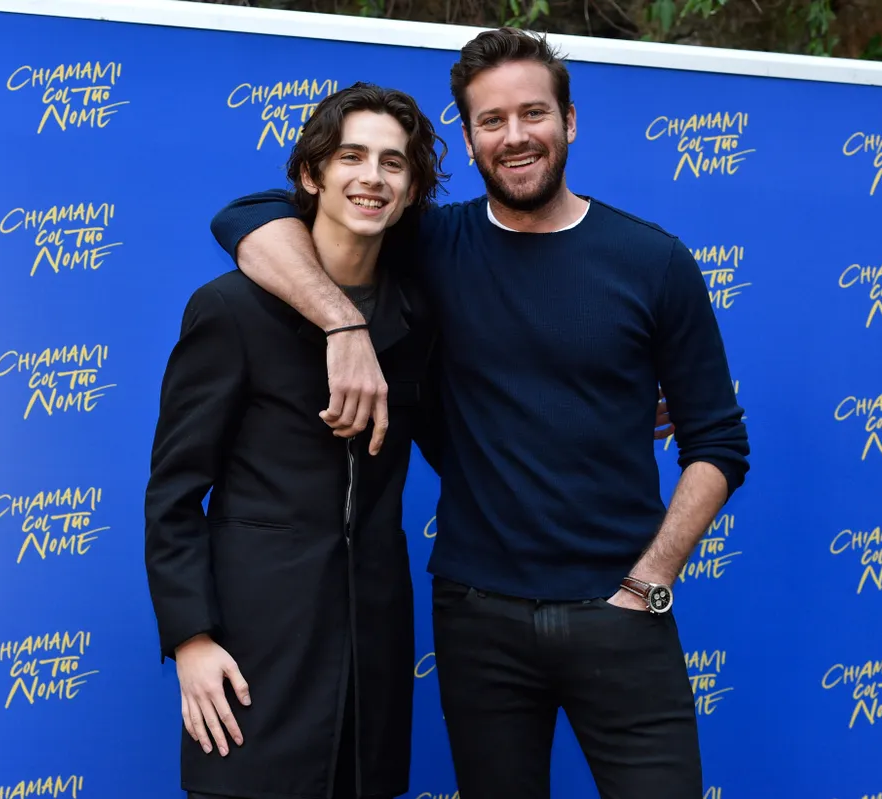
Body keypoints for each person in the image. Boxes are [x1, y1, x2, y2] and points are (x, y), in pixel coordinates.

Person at [208, 27, 750, 799]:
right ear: (467, 138)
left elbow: (718, 443)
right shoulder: (430, 241)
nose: (515, 135)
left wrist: (648, 583)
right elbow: (248, 216)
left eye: (534, 113)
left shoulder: (654, 261)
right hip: (477, 617)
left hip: (623, 613)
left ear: (569, 120)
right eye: (491, 120)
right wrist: (341, 322)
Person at [143, 82, 447, 799]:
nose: (372, 177)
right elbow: (174, 494)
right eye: (351, 157)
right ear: (312, 175)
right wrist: (190, 638)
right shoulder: (229, 310)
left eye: (393, 163)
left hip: (372, 655)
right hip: (253, 654)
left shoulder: (417, 317)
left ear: (411, 190)